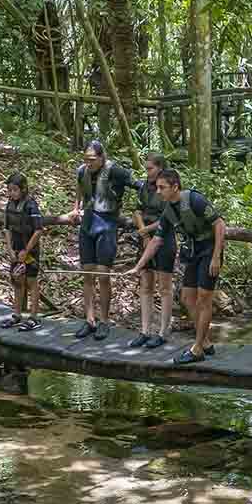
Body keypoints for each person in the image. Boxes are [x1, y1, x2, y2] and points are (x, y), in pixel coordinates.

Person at [154, 168, 226, 364]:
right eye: (157, 187)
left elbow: (219, 225)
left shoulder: (194, 200)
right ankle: (206, 342)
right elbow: (157, 239)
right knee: (187, 298)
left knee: (204, 299)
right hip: (193, 251)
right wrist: (138, 266)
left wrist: (216, 257)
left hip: (209, 250)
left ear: (175, 187)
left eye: (162, 187)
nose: (158, 191)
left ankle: (197, 349)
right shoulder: (168, 209)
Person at [70, 140, 135, 341]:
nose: (88, 162)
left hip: (107, 224)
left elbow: (137, 184)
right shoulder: (82, 171)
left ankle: (104, 321)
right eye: (85, 159)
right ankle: (89, 319)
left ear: (101, 157)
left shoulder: (114, 171)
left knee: (103, 275)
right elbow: (80, 190)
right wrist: (76, 207)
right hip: (88, 224)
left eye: (92, 159)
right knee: (87, 274)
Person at [125, 153, 174, 350]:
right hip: (145, 238)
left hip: (164, 239)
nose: (147, 172)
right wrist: (144, 234)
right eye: (146, 169)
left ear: (160, 168)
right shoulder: (145, 186)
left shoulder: (169, 185)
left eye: (150, 168)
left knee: (164, 287)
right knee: (145, 285)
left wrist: (148, 230)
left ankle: (163, 331)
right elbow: (136, 210)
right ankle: (145, 331)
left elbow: (168, 216)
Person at [1, 172, 44, 332]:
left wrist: (27, 251)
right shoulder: (9, 205)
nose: (11, 193)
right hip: (16, 248)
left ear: (23, 189)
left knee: (31, 282)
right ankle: (17, 314)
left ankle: (34, 317)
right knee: (17, 280)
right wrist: (10, 249)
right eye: (9, 190)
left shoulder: (31, 205)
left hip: (30, 250)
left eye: (14, 190)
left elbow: (38, 230)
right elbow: (6, 229)